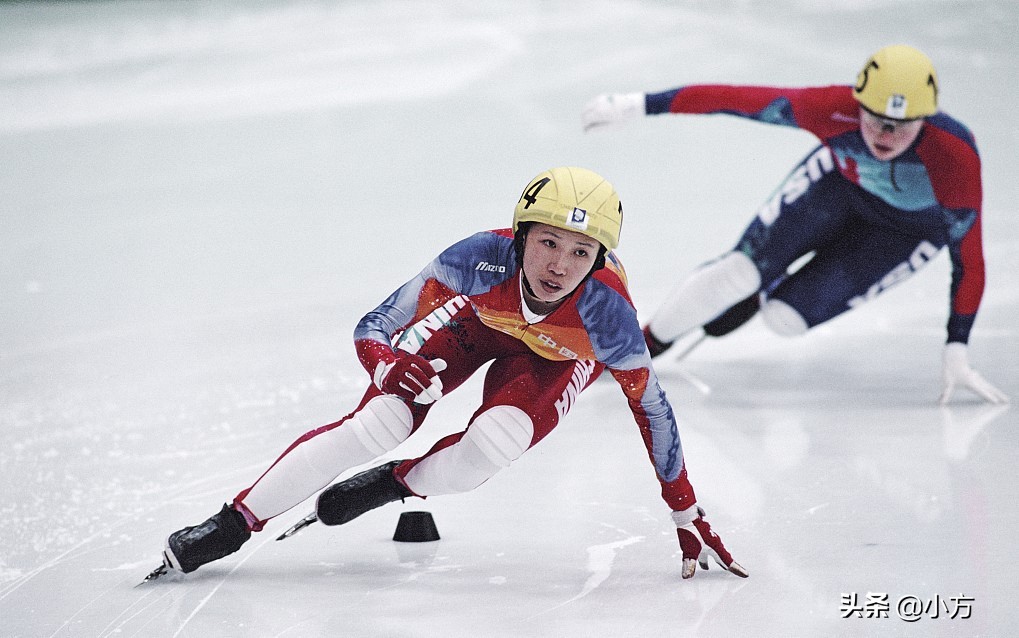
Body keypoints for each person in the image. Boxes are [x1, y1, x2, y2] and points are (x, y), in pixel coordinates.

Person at [154, 167, 747, 582]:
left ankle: (397, 483)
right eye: (547, 243)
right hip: (481, 323)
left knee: (495, 442)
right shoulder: (476, 257)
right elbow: (374, 326)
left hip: (556, 360)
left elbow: (652, 409)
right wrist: (388, 363)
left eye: (580, 254)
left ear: (597, 261)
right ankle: (231, 525)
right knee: (380, 419)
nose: (560, 267)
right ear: (519, 238)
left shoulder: (608, 314)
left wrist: (683, 506)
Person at [581, 44, 1008, 405]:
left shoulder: (954, 155)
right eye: (876, 118)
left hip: (906, 233)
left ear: (926, 120)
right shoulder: (830, 110)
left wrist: (957, 348)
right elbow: (732, 99)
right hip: (838, 187)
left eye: (902, 126)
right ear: (857, 104)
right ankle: (644, 345)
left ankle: (765, 290)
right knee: (737, 274)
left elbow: (968, 259)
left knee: (784, 319)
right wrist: (636, 105)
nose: (885, 135)